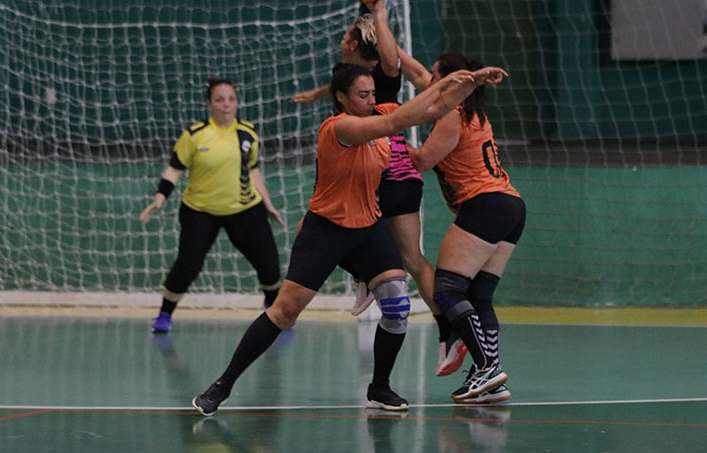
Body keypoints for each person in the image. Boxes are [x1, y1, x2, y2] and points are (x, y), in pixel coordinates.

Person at [192, 62, 508, 416]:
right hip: (327, 230)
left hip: (369, 227)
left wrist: (473, 83)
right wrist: (443, 82)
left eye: (373, 93)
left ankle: (379, 388)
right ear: (341, 97)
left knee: (397, 306)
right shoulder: (340, 127)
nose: (371, 100)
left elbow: (436, 109)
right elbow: (398, 121)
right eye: (362, 95)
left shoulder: (379, 115)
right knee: (284, 311)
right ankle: (222, 385)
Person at [292, 1, 466, 372]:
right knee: (413, 259)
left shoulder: (380, 79)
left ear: (355, 44)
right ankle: (449, 331)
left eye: (347, 35)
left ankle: (365, 277)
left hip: (382, 177)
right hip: (405, 178)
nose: (342, 38)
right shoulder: (352, 82)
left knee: (315, 229)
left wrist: (381, 16)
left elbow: (390, 61)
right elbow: (342, 83)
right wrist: (318, 94)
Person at [409, 53, 526, 404]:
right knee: (479, 297)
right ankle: (492, 379)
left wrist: (386, 138)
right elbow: (418, 77)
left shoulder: (452, 114)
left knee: (447, 290)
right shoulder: (473, 111)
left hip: (485, 205)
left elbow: (423, 161)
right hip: (511, 205)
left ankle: (486, 366)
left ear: (454, 81)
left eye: (436, 75)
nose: (431, 81)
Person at [140, 78, 284, 333]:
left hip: (244, 209)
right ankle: (164, 315)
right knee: (187, 266)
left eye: (231, 99)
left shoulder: (247, 133)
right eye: (219, 100)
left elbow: (252, 170)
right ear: (210, 104)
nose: (226, 104)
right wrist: (160, 197)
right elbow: (174, 170)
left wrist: (268, 203)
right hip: (200, 211)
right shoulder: (195, 135)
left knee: (269, 264)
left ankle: (273, 309)